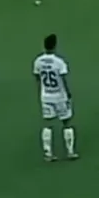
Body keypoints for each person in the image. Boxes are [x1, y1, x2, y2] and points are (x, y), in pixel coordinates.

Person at [33, 33, 76, 162]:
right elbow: (63, 79)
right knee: (66, 123)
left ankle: (48, 153)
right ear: (55, 46)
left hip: (46, 96)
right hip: (60, 96)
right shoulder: (59, 62)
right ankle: (70, 152)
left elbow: (37, 78)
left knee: (48, 124)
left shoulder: (38, 61)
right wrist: (68, 93)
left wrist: (42, 91)